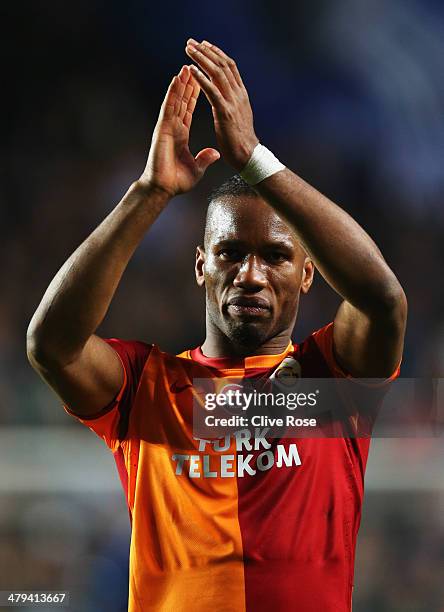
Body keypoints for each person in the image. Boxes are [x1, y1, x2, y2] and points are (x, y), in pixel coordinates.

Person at [27, 39, 407, 612]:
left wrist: (255, 158)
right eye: (230, 252)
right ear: (201, 264)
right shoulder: (142, 387)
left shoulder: (336, 378)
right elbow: (51, 346)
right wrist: (150, 193)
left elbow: (382, 298)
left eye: (276, 257)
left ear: (309, 273)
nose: (251, 275)